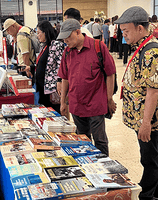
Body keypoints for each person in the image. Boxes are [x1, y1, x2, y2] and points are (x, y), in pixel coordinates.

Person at [115, 6, 158, 200]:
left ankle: (148, 194)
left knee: (148, 157)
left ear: (140, 28)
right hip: (140, 115)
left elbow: (153, 91)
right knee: (153, 151)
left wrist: (145, 123)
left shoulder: (151, 53)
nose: (124, 35)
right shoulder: (142, 46)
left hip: (148, 118)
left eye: (126, 30)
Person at [57, 19, 116, 156]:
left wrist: (109, 99)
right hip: (76, 104)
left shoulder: (98, 47)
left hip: (96, 104)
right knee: (82, 140)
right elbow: (65, 78)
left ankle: (104, 168)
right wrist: (63, 103)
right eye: (63, 38)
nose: (65, 41)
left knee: (100, 140)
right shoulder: (67, 52)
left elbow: (110, 74)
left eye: (68, 37)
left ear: (78, 32)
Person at [35, 21, 65, 114]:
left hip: (52, 88)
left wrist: (59, 81)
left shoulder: (56, 45)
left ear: (45, 32)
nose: (37, 36)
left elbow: (61, 64)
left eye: (39, 33)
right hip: (42, 87)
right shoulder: (44, 46)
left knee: (54, 113)